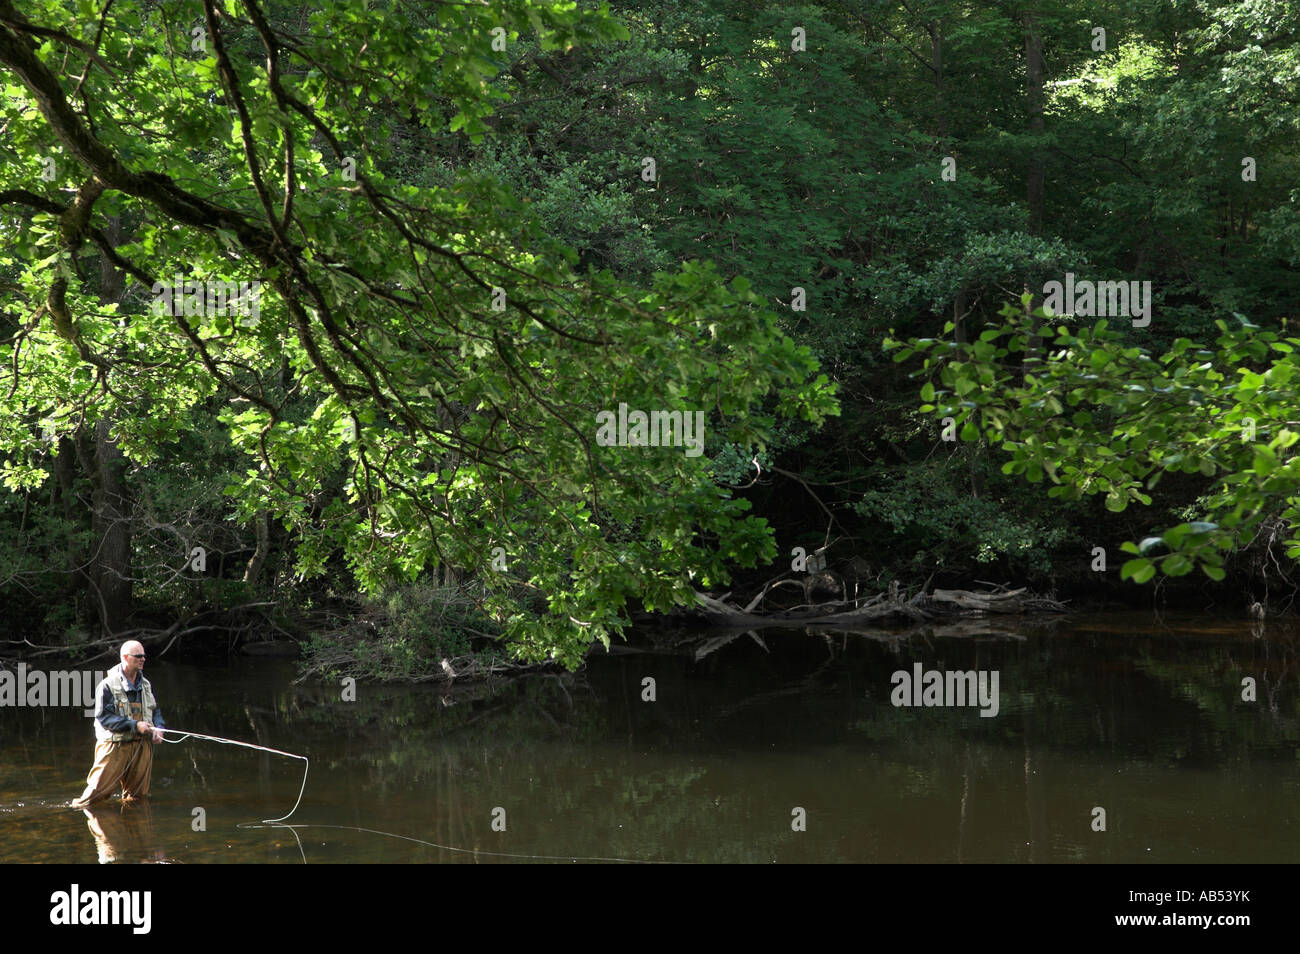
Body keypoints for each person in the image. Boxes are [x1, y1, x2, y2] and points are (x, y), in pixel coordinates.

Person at [70, 640, 166, 809]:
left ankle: (132, 828)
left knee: (137, 798)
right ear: (125, 657)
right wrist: (134, 725)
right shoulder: (107, 686)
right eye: (138, 656)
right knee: (94, 797)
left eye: (144, 656)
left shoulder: (146, 685)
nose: (143, 659)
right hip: (114, 746)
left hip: (142, 746)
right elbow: (104, 718)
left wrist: (159, 727)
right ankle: (84, 818)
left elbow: (155, 710)